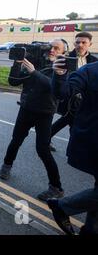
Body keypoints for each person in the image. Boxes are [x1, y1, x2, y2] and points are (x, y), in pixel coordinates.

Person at [0, 39, 67, 201]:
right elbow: (13, 81)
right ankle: (6, 166)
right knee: (16, 140)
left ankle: (56, 187)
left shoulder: (62, 67)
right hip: (27, 108)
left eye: (57, 48)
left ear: (63, 52)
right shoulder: (36, 61)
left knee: (42, 149)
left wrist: (33, 72)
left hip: (45, 113)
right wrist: (17, 64)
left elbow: (52, 87)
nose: (52, 50)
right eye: (51, 47)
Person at [48, 59, 98, 235]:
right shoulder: (90, 71)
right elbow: (64, 92)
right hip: (93, 141)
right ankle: (62, 206)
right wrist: (60, 75)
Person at [49, 32, 97, 152]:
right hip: (69, 98)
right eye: (77, 42)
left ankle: (46, 139)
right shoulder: (65, 58)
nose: (80, 45)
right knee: (71, 121)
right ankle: (74, 149)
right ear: (74, 43)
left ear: (90, 44)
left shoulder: (94, 61)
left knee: (69, 121)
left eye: (83, 42)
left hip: (86, 101)